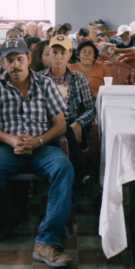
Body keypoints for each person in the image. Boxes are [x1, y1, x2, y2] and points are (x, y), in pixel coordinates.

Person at [0, 37, 75, 268]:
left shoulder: (45, 84)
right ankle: (11, 217)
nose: (15, 65)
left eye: (19, 59)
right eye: (9, 60)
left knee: (64, 169)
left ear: (29, 59)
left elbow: (60, 125)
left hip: (42, 147)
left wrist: (39, 141)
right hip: (9, 148)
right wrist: (9, 139)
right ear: (3, 63)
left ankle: (48, 241)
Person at [39, 35, 103, 197]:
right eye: (54, 52)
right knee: (63, 129)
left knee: (67, 130)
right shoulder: (39, 79)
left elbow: (91, 108)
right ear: (49, 54)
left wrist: (79, 123)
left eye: (63, 53)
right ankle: (86, 177)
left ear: (70, 54)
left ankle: (71, 187)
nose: (58, 57)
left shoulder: (78, 78)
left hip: (74, 128)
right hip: (46, 129)